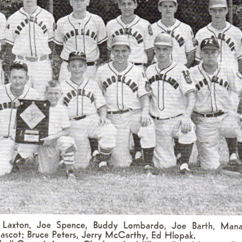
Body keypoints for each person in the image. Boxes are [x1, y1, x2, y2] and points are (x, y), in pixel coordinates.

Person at [190, 38, 242, 172]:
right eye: (206, 52)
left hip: (226, 117)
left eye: (213, 52)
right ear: (200, 54)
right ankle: (203, 156)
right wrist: (189, 114)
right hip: (204, 121)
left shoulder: (228, 70)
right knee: (210, 167)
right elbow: (182, 96)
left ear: (218, 53)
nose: (209, 55)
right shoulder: (192, 73)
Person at [95, 35, 156, 168]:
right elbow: (98, 96)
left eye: (124, 51)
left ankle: (148, 162)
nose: (120, 54)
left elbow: (144, 95)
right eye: (117, 51)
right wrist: (102, 115)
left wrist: (145, 112)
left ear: (129, 51)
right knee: (121, 164)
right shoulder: (102, 71)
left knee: (148, 126)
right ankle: (108, 155)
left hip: (134, 114)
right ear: (111, 51)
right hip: (114, 116)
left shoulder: (138, 70)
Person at [145, 33, 196, 173]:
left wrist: (187, 116)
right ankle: (175, 151)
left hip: (177, 119)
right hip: (158, 122)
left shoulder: (181, 69)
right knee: (165, 165)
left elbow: (191, 94)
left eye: (165, 49)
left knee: (189, 128)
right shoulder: (149, 70)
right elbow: (146, 96)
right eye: (158, 49)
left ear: (171, 49)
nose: (161, 52)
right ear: (154, 50)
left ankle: (184, 163)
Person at [60, 52, 117, 169]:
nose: (77, 69)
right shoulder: (62, 86)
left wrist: (102, 117)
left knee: (109, 130)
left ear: (85, 67)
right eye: (73, 66)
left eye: (80, 66)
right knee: (80, 165)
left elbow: (102, 105)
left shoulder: (92, 84)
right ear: (68, 67)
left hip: (91, 119)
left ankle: (102, 159)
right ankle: (92, 155)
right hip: (73, 123)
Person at [4, 0, 55, 92]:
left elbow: (52, 43)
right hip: (22, 62)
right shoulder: (13, 18)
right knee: (21, 97)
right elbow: (9, 45)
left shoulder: (47, 17)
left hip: (42, 64)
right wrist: (13, 66)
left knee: (43, 98)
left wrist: (49, 61)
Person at [54, 0, 108, 81]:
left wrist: (98, 62)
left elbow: (103, 46)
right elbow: (58, 47)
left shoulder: (97, 20)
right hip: (68, 68)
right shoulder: (62, 22)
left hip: (90, 67)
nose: (79, 2)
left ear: (88, 2)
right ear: (71, 2)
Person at [194, 0, 242, 73]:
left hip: (230, 75)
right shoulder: (201, 33)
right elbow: (198, 58)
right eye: (214, 10)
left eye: (220, 10)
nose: (217, 13)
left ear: (226, 10)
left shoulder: (236, 32)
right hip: (208, 76)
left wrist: (236, 75)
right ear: (209, 11)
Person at [36, 80, 77, 179]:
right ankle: (33, 158)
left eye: (56, 93)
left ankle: (69, 171)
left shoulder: (61, 109)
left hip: (56, 140)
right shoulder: (38, 107)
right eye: (50, 93)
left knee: (68, 142)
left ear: (61, 94)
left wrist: (53, 137)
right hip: (43, 142)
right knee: (46, 171)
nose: (53, 96)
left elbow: (66, 130)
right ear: (45, 94)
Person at [106, 0, 154, 67]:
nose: (126, 7)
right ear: (119, 5)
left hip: (137, 66)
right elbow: (108, 50)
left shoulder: (144, 24)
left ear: (135, 5)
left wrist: (145, 67)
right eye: (123, 4)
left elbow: (150, 51)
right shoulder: (111, 24)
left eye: (129, 4)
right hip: (116, 67)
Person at [150, 0, 196, 67]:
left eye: (171, 6)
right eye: (165, 6)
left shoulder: (186, 28)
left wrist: (183, 69)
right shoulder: (152, 28)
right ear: (159, 8)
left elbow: (191, 54)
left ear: (176, 8)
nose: (168, 9)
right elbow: (149, 53)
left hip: (179, 69)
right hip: (158, 70)